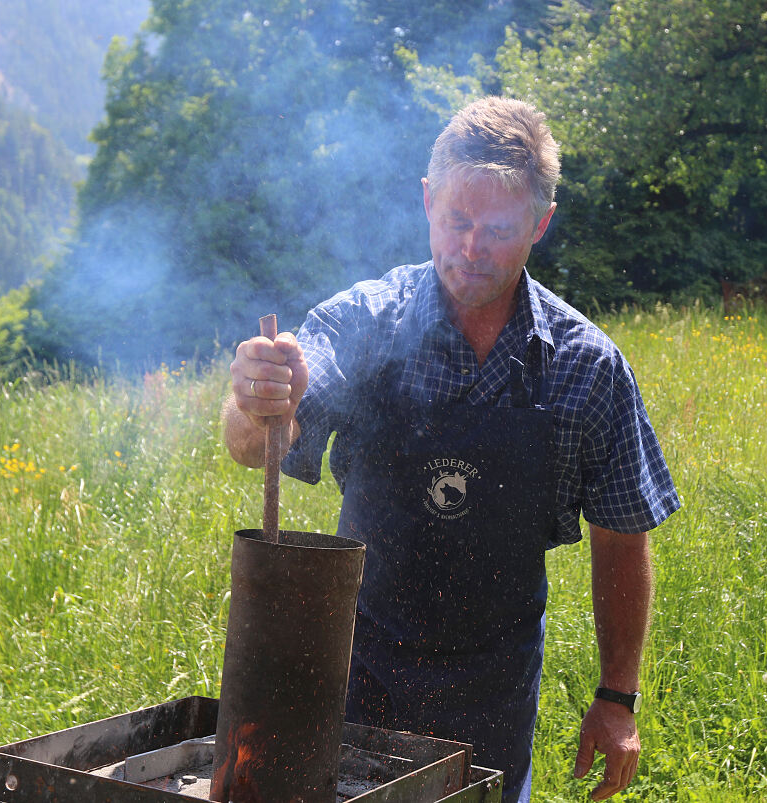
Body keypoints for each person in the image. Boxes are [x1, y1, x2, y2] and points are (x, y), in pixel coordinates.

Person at [222, 96, 679, 802]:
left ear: (541, 223)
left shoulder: (585, 366)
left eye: (497, 229)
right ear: (428, 201)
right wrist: (257, 394)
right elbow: (256, 444)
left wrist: (617, 696)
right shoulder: (369, 320)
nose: (471, 248)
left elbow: (621, 537)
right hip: (356, 675)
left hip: (493, 691)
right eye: (457, 221)